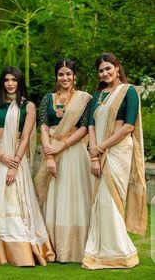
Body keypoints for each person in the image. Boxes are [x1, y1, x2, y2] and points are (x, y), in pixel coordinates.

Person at [0, 66, 55, 266]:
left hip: (16, 157)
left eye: (14, 80)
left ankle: (20, 249)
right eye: (7, 80)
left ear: (19, 82)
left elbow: (25, 137)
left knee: (13, 198)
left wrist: (14, 163)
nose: (10, 83)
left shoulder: (28, 106)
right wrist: (1, 156)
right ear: (2, 82)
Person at [82, 52, 147, 269]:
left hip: (118, 151)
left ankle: (119, 252)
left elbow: (128, 126)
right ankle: (100, 251)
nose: (105, 73)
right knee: (100, 201)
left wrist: (101, 148)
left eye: (108, 68)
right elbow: (91, 125)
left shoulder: (129, 91)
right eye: (101, 70)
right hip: (98, 152)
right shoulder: (98, 95)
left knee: (111, 200)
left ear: (118, 68)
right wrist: (94, 154)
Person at [34, 59, 93, 263]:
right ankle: (52, 247)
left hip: (74, 154)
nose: (65, 77)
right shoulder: (47, 99)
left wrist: (62, 145)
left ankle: (74, 250)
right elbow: (42, 126)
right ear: (56, 77)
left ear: (74, 76)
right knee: (52, 196)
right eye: (61, 74)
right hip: (51, 150)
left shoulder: (85, 99)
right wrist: (50, 155)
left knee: (73, 197)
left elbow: (85, 128)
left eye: (68, 74)